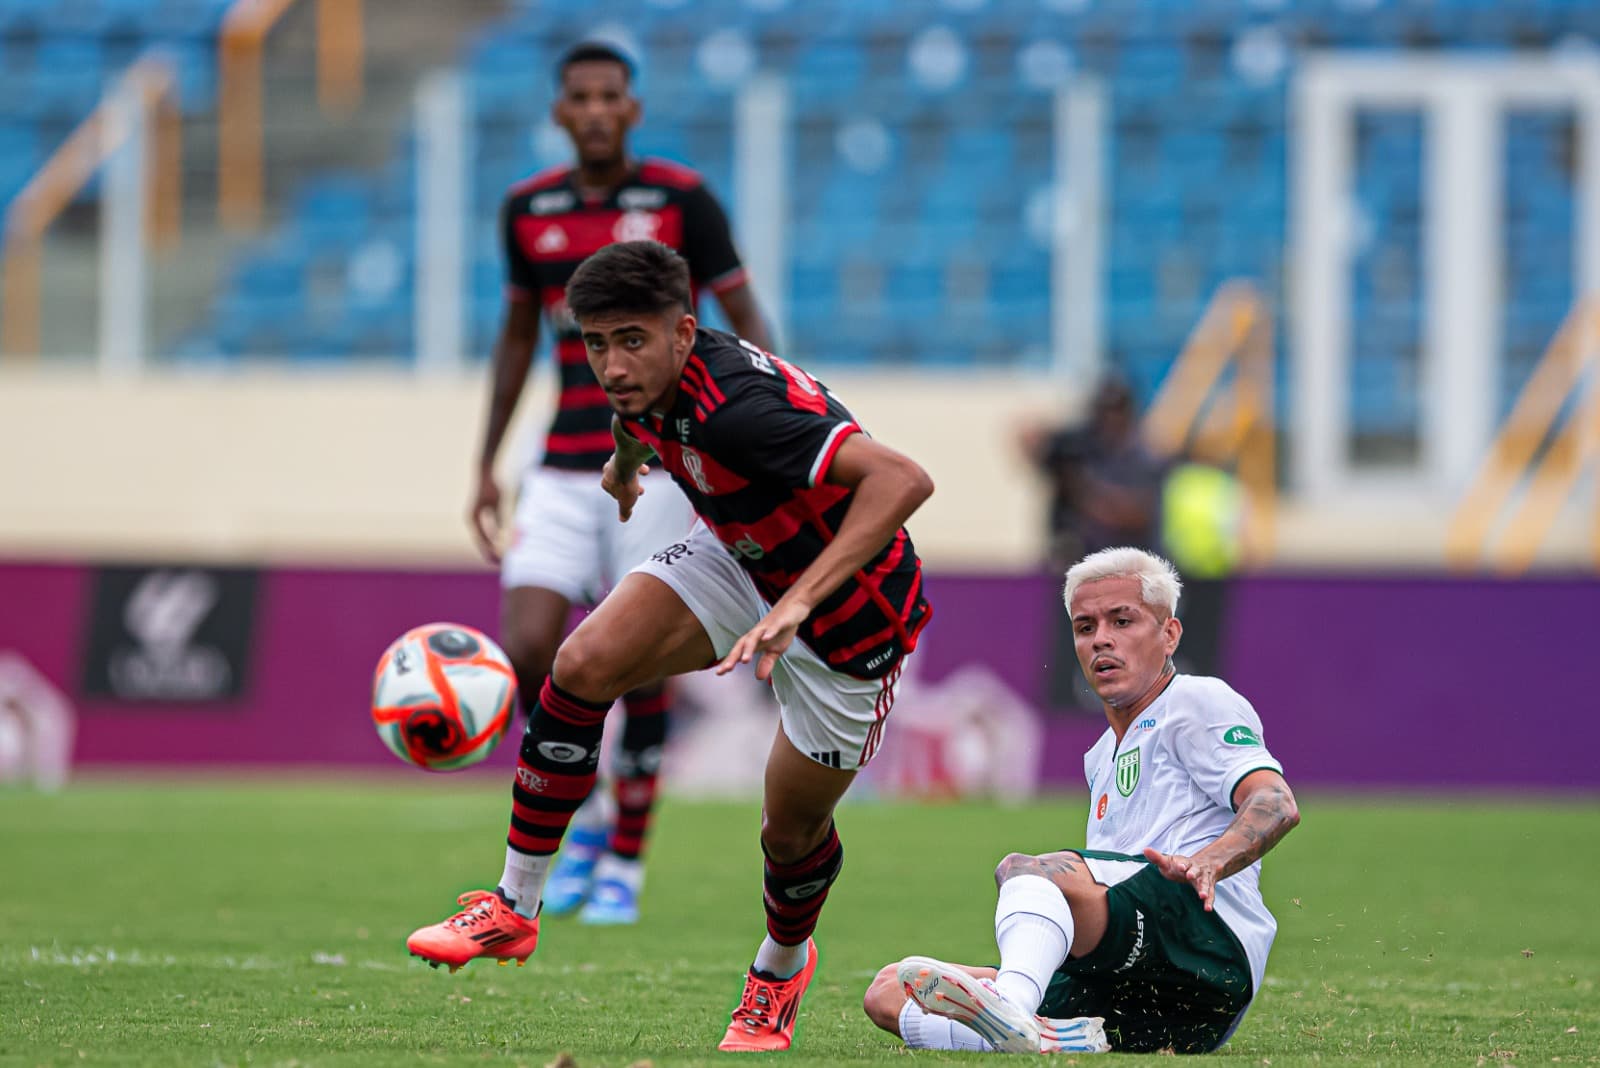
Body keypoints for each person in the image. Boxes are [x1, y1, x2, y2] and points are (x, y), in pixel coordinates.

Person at [409, 240, 935, 1053]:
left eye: (631, 341)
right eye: (595, 343)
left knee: (788, 834)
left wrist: (798, 600)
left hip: (849, 616)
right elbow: (638, 418)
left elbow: (903, 479)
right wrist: (625, 466)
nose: (612, 365)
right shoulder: (649, 382)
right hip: (740, 557)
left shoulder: (739, 408)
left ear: (684, 332)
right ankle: (515, 908)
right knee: (580, 667)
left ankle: (779, 970)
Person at [471, 41, 775, 925]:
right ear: (561, 112)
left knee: (629, 653)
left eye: (612, 96)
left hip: (659, 465)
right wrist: (485, 463)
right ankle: (591, 819)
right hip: (563, 464)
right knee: (531, 645)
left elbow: (743, 313)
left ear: (632, 109)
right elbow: (517, 338)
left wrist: (766, 420)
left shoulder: (682, 199)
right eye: (582, 98)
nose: (598, 110)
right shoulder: (528, 209)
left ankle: (624, 866)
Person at [862, 546, 1299, 1055]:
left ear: (1170, 634)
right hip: (1153, 1005)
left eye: (1122, 620)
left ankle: (1013, 1003)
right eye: (1085, 627)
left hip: (1205, 942)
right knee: (890, 991)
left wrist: (1209, 862)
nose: (1101, 640)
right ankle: (1043, 1034)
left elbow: (1275, 801)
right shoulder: (1101, 756)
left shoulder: (1196, 701)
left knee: (1026, 870)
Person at [1017, 379, 1170, 709]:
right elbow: (1026, 440)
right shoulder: (1084, 449)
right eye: (1103, 413)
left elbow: (1135, 513)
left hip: (1131, 580)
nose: (1108, 421)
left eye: (1115, 413)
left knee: (1127, 655)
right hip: (1083, 572)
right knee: (1077, 651)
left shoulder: (1142, 457)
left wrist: (1084, 492)